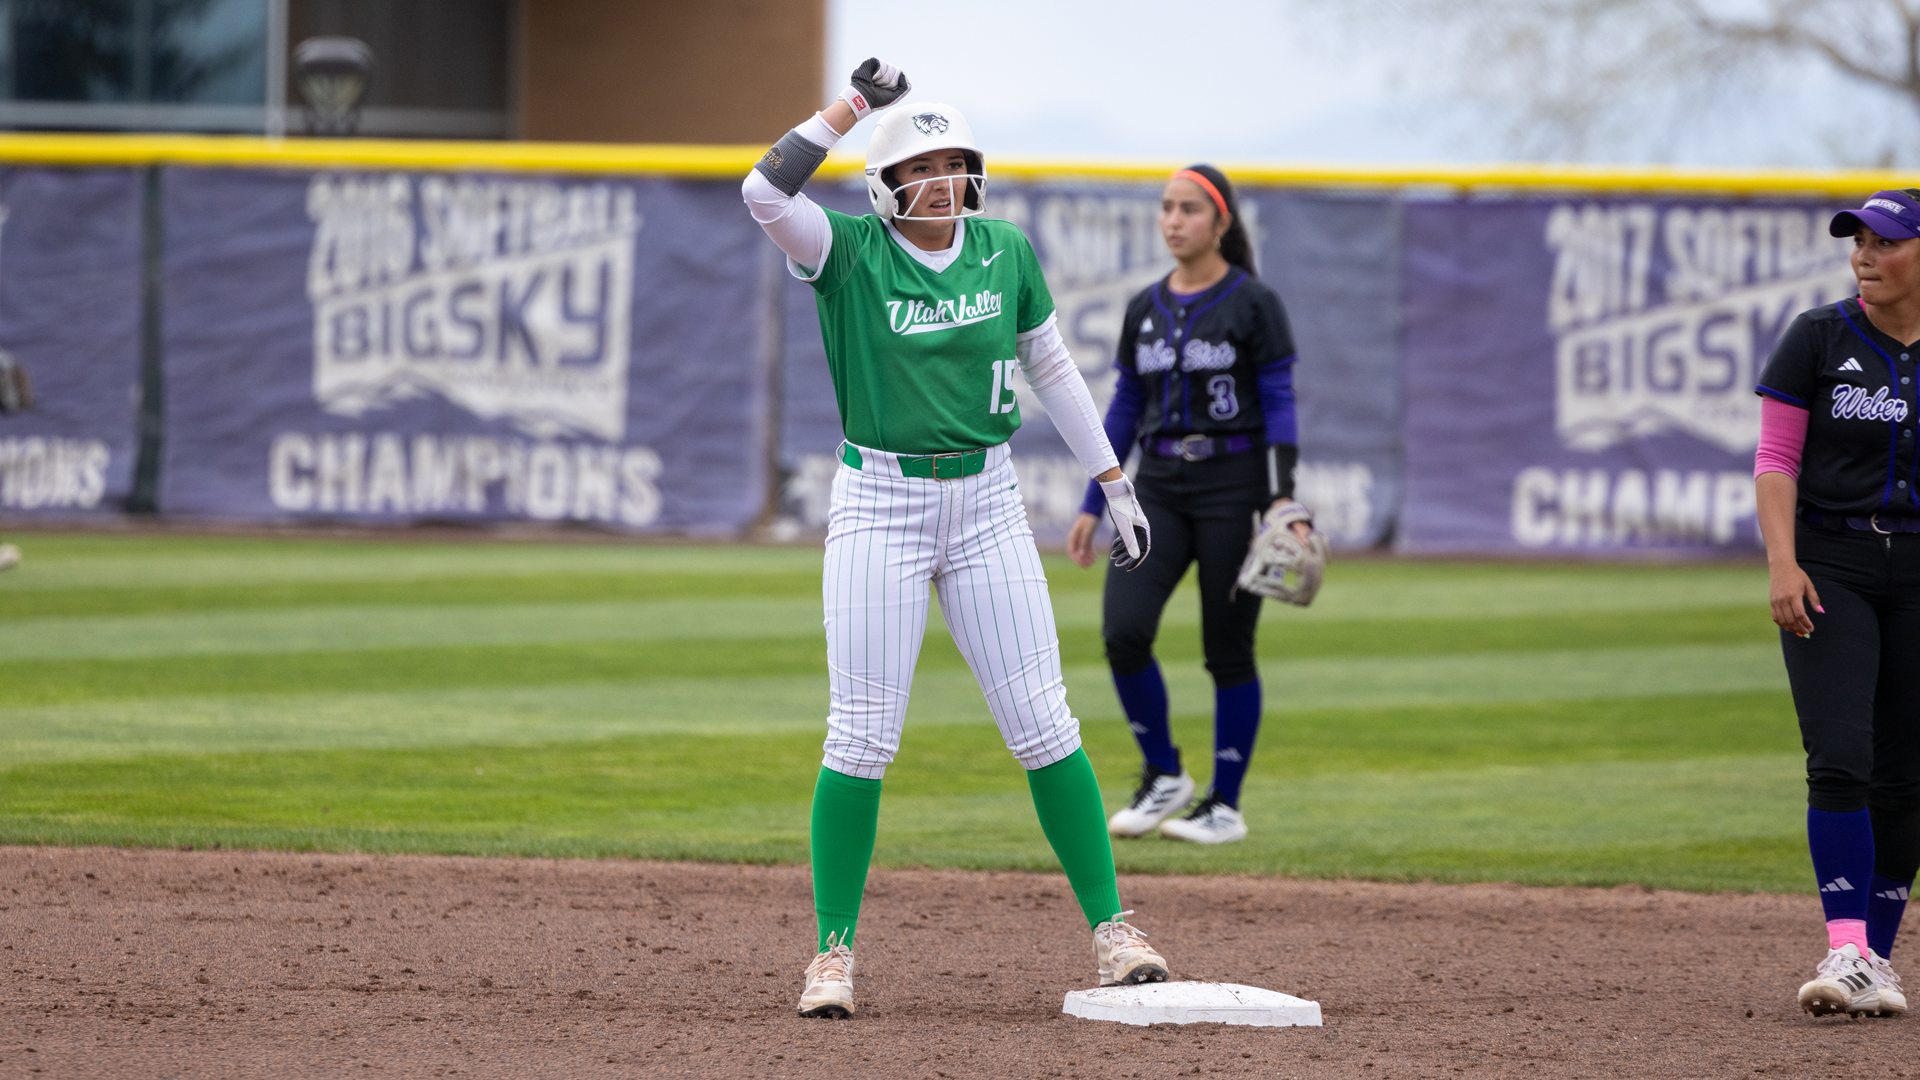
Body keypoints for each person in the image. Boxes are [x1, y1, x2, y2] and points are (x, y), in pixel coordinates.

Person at [741, 58, 1168, 1020]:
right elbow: (763, 189)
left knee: (1046, 723)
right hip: (879, 503)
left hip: (984, 502)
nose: (942, 179)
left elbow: (1051, 367)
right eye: (921, 164)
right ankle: (833, 952)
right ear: (884, 180)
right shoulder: (846, 251)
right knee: (859, 738)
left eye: (955, 161)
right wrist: (854, 105)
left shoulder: (1004, 249)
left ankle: (1112, 929)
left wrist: (1110, 475)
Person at [1066, 166, 1310, 846]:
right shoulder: (1146, 306)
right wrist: (1096, 500)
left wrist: (1282, 496)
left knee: (1227, 648)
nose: (1174, 221)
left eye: (1189, 210)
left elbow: (1281, 403)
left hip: (1235, 483)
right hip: (1161, 486)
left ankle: (1224, 805)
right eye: (1166, 209)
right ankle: (1163, 773)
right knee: (1124, 630)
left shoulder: (1254, 302)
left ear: (1221, 221)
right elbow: (1124, 408)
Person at [1755, 188, 1920, 1018]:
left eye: (1886, 241)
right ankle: (1848, 945)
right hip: (1832, 561)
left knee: (1906, 776)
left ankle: (1875, 965)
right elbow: (1777, 460)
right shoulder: (1819, 336)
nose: (1864, 253)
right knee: (1842, 756)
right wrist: (1783, 563)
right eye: (1857, 239)